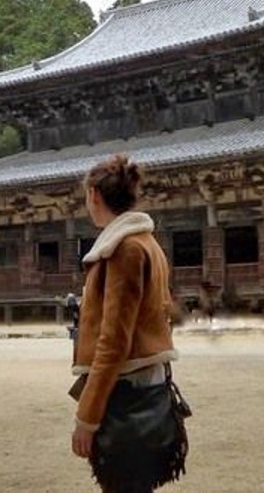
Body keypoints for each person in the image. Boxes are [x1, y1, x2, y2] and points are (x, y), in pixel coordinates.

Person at [69, 154, 179, 491]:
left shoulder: (124, 249)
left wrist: (87, 417)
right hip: (146, 381)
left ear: (94, 195)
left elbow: (114, 340)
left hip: (127, 389)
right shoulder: (146, 243)